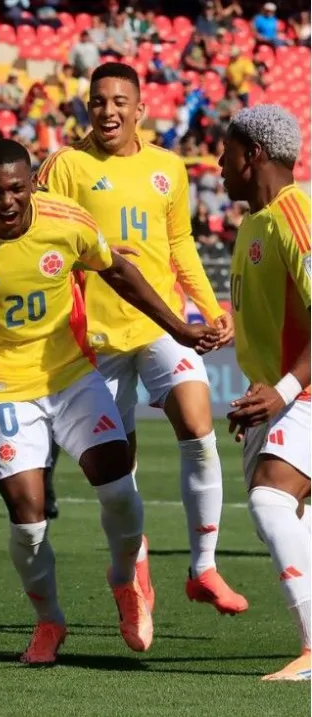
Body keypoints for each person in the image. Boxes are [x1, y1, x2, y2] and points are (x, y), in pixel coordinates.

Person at [0, 139, 218, 663]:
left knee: (118, 490)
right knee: (28, 517)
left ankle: (126, 581)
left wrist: (180, 327)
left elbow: (120, 272)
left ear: (33, 185)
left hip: (75, 377)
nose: (8, 201)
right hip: (6, 389)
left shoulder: (67, 221)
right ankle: (49, 622)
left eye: (18, 188)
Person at [37, 62, 246, 617]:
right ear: (86, 105)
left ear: (140, 109)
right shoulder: (65, 165)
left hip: (159, 325)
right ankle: (130, 574)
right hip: (95, 338)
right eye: (98, 101)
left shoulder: (167, 168)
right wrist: (91, 257)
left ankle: (203, 567)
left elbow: (180, 246)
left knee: (199, 428)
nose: (108, 111)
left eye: (119, 101)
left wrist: (208, 306)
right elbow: (39, 244)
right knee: (119, 473)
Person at [219, 105, 311, 682]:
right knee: (288, 512)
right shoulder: (256, 223)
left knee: (271, 500)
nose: (218, 163)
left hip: (301, 393)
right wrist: (261, 400)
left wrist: (281, 391)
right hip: (280, 396)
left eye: (226, 151)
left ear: (252, 154)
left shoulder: (296, 212)